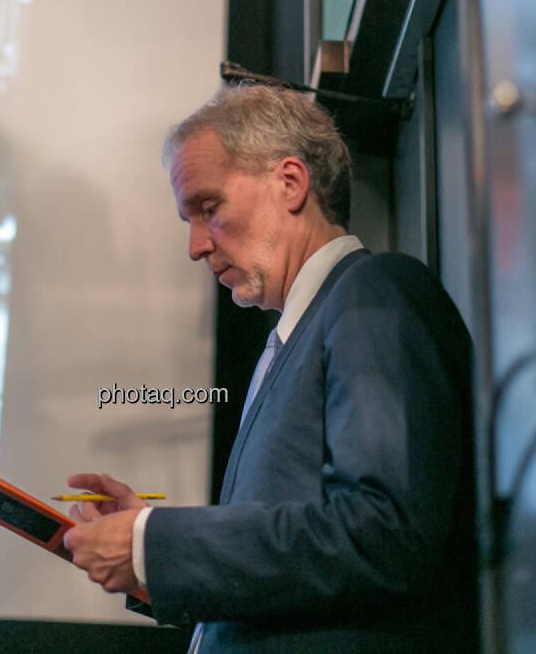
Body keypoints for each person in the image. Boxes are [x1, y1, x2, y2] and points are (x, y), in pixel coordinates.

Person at [61, 85, 476, 652]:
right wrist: (151, 547)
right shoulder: (298, 334)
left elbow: (385, 532)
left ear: (290, 183)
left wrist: (156, 543)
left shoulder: (375, 292)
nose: (195, 246)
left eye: (209, 209)